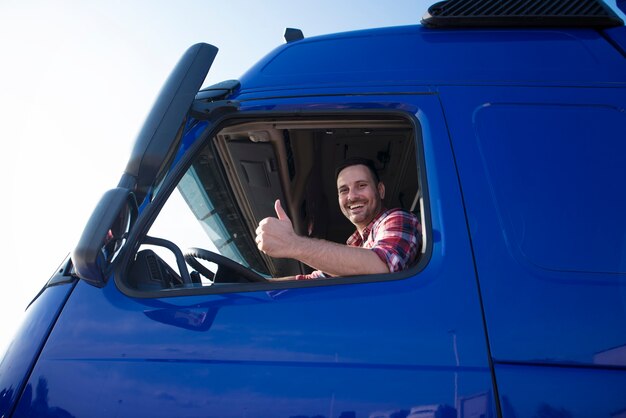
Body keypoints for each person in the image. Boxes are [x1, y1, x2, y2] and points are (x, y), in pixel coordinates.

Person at [255, 157, 422, 280]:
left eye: (361, 185)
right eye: (344, 190)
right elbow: (309, 281)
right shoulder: (355, 246)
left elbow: (382, 266)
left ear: (380, 190)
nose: (352, 196)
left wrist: (291, 243)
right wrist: (260, 285)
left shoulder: (398, 218)